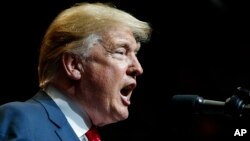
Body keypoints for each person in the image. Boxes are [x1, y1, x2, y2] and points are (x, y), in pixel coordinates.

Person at [0, 2, 151, 141]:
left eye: (135, 54)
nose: (138, 68)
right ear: (74, 65)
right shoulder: (22, 121)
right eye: (120, 52)